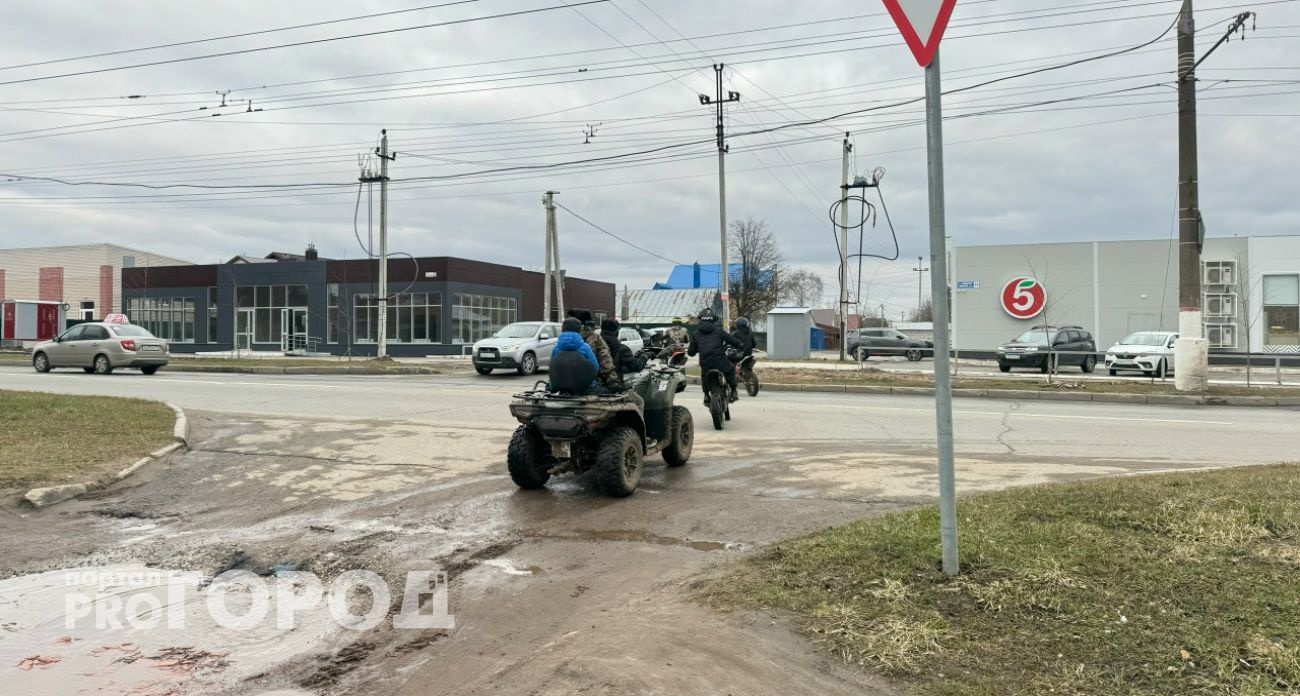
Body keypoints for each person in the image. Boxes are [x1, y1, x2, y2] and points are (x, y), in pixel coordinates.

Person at [688, 310, 744, 401]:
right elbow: (731, 340)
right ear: (713, 320)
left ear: (700, 320)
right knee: (730, 369)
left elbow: (691, 352)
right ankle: (734, 390)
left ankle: (706, 395)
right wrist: (740, 345)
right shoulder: (718, 331)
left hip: (705, 362)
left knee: (704, 374)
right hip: (720, 361)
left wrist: (696, 349)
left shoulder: (695, 333)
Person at [572, 310, 621, 391]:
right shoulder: (595, 338)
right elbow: (605, 360)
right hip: (590, 384)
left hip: (565, 385)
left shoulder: (561, 340)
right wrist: (613, 381)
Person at [548, 317, 599, 394]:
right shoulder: (585, 348)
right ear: (579, 330)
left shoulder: (556, 348)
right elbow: (595, 367)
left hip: (560, 387)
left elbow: (552, 368)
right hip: (585, 388)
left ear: (562, 330)